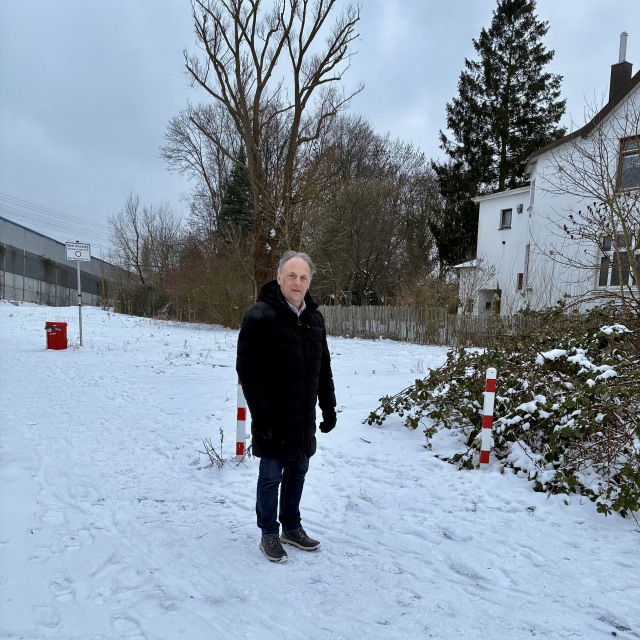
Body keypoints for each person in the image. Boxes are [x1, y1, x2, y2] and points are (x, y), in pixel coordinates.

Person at [236, 251, 336, 563]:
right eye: (291, 275)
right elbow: (248, 370)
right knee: (271, 476)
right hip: (272, 417)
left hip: (303, 416)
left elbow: (323, 367)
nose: (297, 282)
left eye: (303, 277)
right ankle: (269, 531)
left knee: (298, 472)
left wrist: (329, 407)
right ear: (279, 277)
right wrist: (261, 415)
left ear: (309, 282)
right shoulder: (259, 316)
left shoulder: (314, 319)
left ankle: (291, 527)